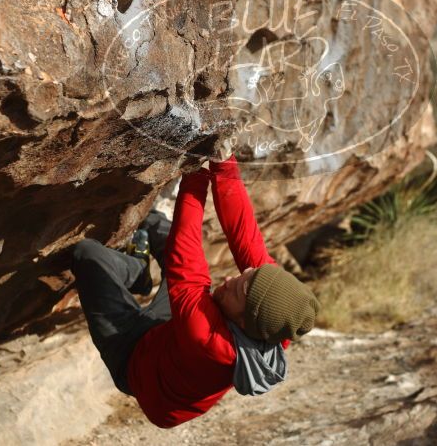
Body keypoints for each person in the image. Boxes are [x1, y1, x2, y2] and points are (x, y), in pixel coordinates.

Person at [71, 154, 320, 428]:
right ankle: (141, 274)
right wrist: (224, 162)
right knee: (159, 227)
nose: (230, 277)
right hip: (170, 336)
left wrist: (196, 171)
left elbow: (186, 255)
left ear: (242, 321)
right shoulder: (276, 320)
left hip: (133, 362)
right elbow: (243, 233)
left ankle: (133, 268)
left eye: (237, 289)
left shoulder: (206, 339)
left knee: (88, 255)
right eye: (248, 274)